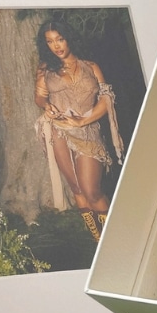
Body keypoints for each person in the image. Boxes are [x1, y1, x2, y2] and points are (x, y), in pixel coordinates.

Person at [33, 20, 124, 241]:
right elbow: (40, 97)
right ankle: (97, 239)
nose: (56, 46)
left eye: (60, 39)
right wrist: (48, 107)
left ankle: (112, 238)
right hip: (58, 131)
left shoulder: (91, 66)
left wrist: (84, 121)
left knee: (91, 189)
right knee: (77, 188)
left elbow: (106, 98)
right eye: (50, 42)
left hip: (87, 131)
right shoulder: (45, 69)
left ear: (69, 38)